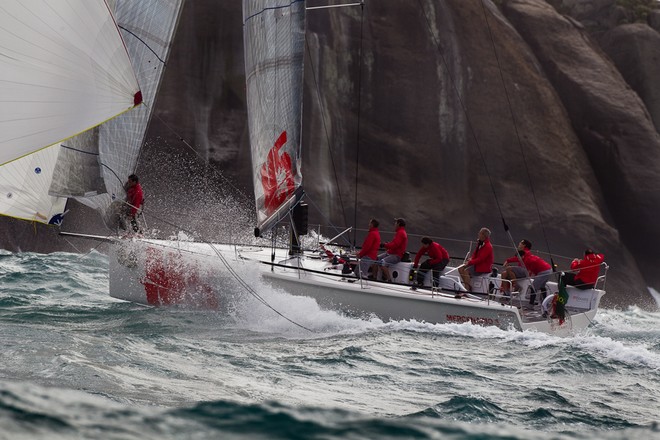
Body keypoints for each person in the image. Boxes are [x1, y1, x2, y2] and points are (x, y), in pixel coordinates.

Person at [503, 239, 553, 304]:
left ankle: (531, 305)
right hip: (547, 269)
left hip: (544, 271)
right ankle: (544, 302)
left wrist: (531, 275)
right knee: (542, 286)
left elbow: (531, 268)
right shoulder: (525, 256)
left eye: (521, 243)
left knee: (533, 287)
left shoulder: (527, 258)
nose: (517, 259)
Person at [458, 227, 493, 293]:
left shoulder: (488, 246)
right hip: (476, 264)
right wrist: (471, 259)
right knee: (460, 268)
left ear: (483, 235)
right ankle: (468, 285)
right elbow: (475, 254)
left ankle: (467, 289)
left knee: (466, 271)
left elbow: (481, 259)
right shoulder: (480, 243)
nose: (478, 234)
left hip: (482, 267)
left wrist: (470, 262)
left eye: (479, 233)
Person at [376, 218, 408, 282]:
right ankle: (377, 278)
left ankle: (389, 279)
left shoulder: (401, 233)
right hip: (391, 252)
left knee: (382, 262)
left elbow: (395, 245)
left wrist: (384, 245)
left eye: (395, 223)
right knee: (376, 259)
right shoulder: (400, 232)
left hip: (396, 255)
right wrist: (387, 244)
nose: (394, 224)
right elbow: (394, 244)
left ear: (398, 224)